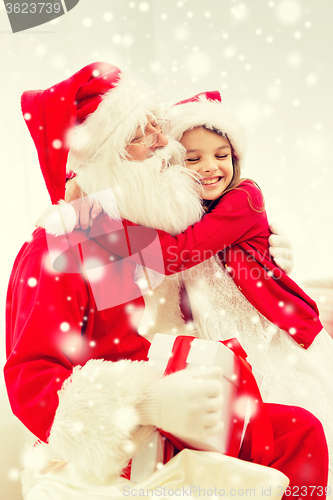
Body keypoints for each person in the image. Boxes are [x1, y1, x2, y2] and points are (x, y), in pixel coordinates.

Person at [4, 63, 328, 499]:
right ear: (103, 158)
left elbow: (173, 275)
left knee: (299, 432)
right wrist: (148, 403)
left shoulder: (109, 229)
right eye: (142, 134)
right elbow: (32, 376)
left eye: (157, 125)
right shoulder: (59, 247)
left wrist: (267, 247)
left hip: (175, 403)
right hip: (116, 439)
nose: (165, 144)